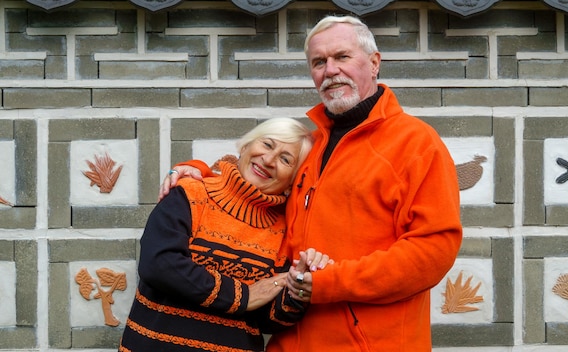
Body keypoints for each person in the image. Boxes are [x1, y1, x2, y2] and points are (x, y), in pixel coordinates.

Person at [160, 15, 462, 351]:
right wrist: (197, 169)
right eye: (319, 62)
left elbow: (434, 251)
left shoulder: (417, 143)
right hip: (289, 339)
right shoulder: (311, 145)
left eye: (342, 57)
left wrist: (327, 283)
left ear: (374, 63)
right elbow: (255, 176)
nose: (330, 70)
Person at [119, 118, 331, 352]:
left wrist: (298, 288)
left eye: (285, 159)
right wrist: (242, 296)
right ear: (246, 146)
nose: (269, 160)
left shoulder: (284, 230)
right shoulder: (191, 194)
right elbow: (159, 265)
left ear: (293, 180)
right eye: (268, 145)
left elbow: (268, 320)